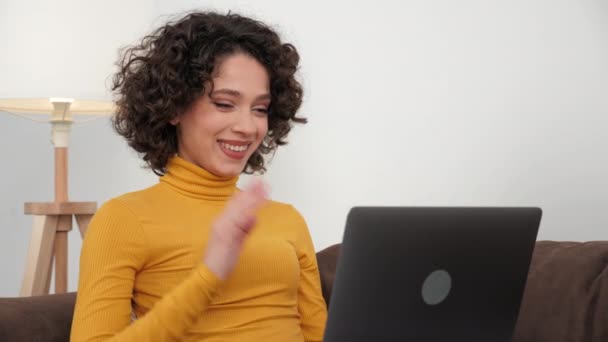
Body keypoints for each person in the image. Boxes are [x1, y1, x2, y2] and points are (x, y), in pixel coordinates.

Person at [70, 11, 327, 341]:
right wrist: (210, 274)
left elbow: (320, 333)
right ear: (174, 107)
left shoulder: (287, 219)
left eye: (260, 109)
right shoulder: (123, 220)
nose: (248, 127)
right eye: (224, 103)